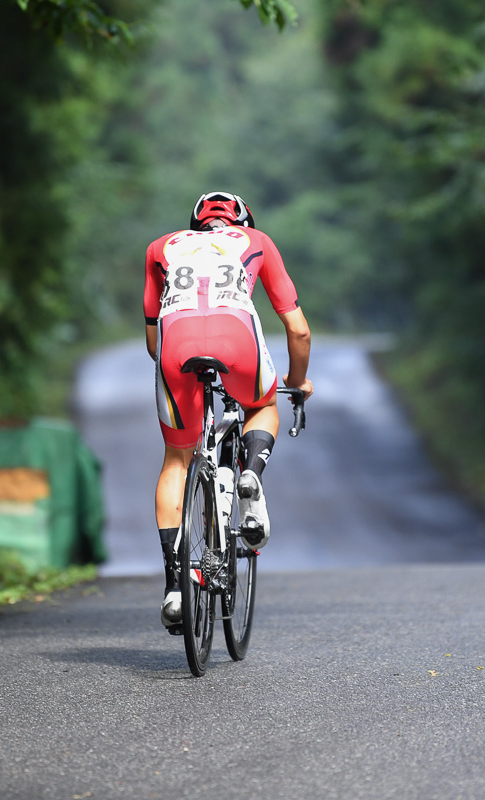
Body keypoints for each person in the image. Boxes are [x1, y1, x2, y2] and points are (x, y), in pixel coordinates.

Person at [143, 191, 313, 630]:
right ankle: (251, 472)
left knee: (177, 461)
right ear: (242, 221)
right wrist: (297, 381)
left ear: (194, 225)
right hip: (237, 337)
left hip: (175, 346)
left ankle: (176, 587)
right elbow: (299, 329)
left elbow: (151, 344)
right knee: (262, 406)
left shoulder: (160, 247)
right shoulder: (257, 240)